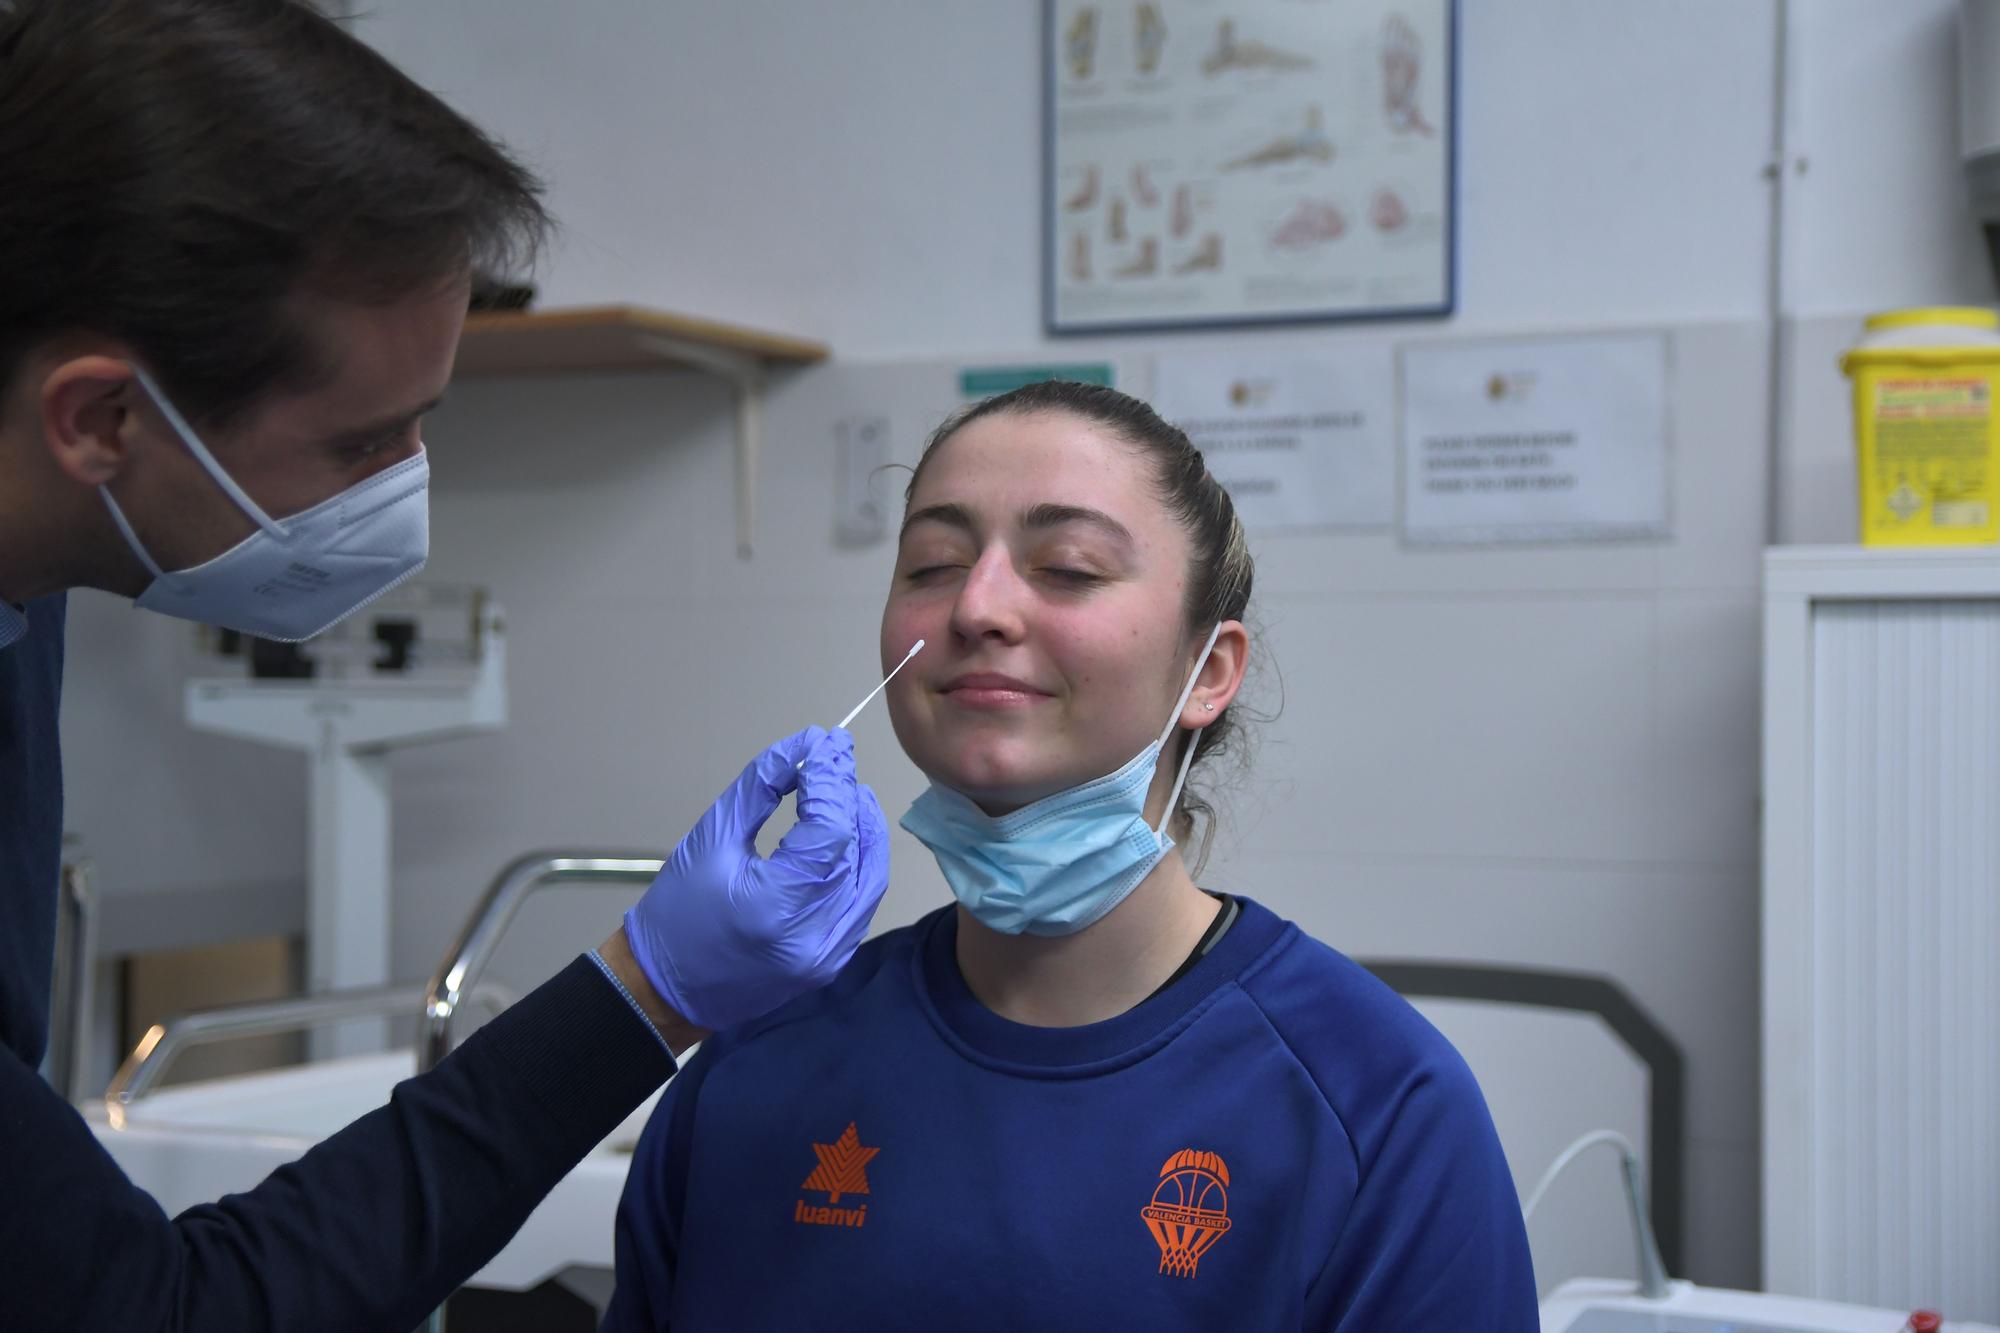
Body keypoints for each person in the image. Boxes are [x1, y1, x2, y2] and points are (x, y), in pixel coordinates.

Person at [0, 2, 888, 1328]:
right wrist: (647, 991)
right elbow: (159, 1313)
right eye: (362, 443)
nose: (407, 491)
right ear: (102, 420)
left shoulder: (34, 575)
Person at [602, 381, 1540, 1330]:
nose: (977, 606)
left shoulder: (1376, 1108)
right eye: (933, 561)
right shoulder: (752, 1071)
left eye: (1070, 566)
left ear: (1207, 672)